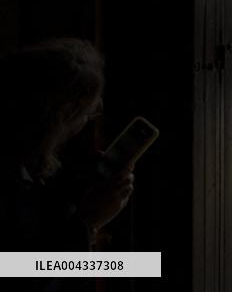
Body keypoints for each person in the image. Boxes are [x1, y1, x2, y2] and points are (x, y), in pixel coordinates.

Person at [0, 39, 135, 253]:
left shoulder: (17, 156)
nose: (86, 122)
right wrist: (88, 222)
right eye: (87, 114)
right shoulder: (9, 178)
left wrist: (73, 186)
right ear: (66, 113)